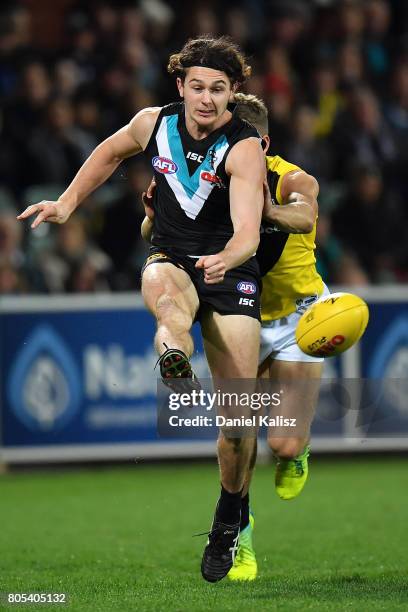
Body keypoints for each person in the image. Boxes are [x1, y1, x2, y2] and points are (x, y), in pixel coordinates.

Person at [17, 36, 266, 584]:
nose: (206, 98)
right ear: (180, 86)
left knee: (240, 425)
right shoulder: (153, 123)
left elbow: (249, 230)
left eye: (218, 90)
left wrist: (228, 257)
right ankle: (174, 359)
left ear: (234, 93)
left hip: (230, 270)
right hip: (172, 256)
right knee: (169, 310)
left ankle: (228, 518)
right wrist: (65, 203)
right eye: (197, 86)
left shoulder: (245, 146)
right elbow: (108, 154)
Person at [142, 92, 328, 583]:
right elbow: (161, 233)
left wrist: (265, 212)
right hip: (236, 312)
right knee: (236, 430)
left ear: (259, 142)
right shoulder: (201, 176)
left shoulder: (291, 177)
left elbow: (305, 216)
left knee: (284, 445)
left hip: (293, 319)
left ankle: (298, 452)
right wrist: (150, 218)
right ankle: (239, 539)